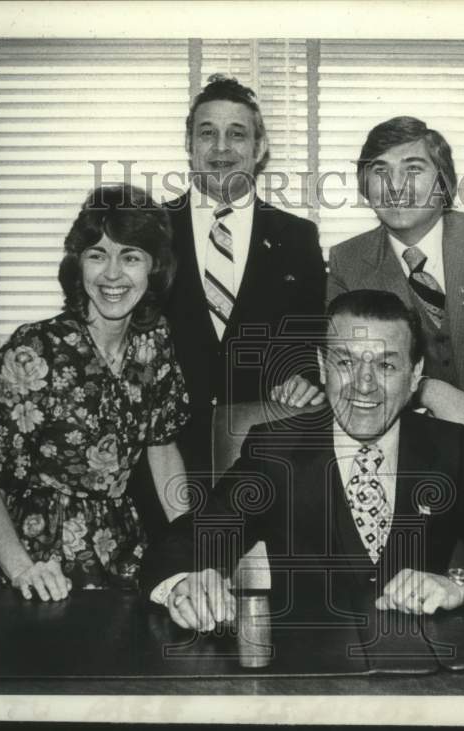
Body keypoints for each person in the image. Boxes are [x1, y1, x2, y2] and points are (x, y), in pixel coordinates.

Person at [140, 290, 464, 631]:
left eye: (386, 366)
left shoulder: (449, 450)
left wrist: (463, 587)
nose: (363, 386)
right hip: (307, 680)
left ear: (415, 377)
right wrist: (184, 584)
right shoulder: (276, 451)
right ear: (321, 366)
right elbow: (178, 544)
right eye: (346, 362)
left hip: (422, 676)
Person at [0, 184, 190, 601]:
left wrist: (194, 549)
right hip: (39, 565)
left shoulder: (154, 342)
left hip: (127, 555)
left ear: (153, 267)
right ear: (78, 263)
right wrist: (22, 571)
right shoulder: (32, 350)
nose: (112, 275)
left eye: (131, 257)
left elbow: (161, 449)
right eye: (97, 255)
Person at [327, 116, 464, 450]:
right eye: (380, 171)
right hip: (404, 457)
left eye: (414, 169)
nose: (395, 186)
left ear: (444, 181)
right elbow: (346, 374)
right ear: (364, 187)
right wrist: (426, 388)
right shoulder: (347, 261)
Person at [159, 73, 326, 488]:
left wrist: (304, 381)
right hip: (162, 456)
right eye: (207, 133)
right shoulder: (151, 231)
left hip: (265, 460)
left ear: (259, 147)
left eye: (236, 134)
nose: (220, 148)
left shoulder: (297, 237)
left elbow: (309, 344)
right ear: (188, 145)